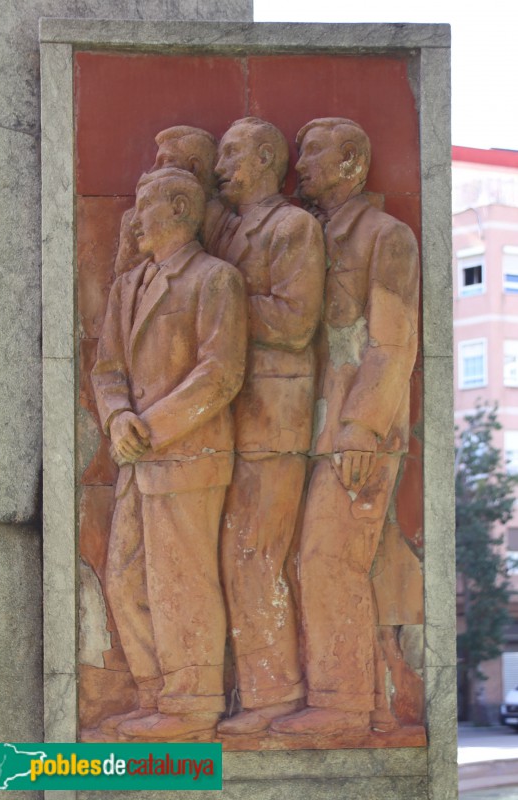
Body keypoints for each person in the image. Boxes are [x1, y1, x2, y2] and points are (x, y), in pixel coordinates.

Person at [271, 117, 419, 736]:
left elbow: (391, 342)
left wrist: (359, 428)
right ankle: (365, 701)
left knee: (327, 559)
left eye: (312, 154)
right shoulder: (308, 237)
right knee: (311, 562)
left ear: (353, 160)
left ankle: (343, 705)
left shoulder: (386, 238)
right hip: (305, 434)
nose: (299, 165)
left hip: (358, 436)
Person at [91, 167, 247, 740]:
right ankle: (157, 695)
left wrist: (149, 425)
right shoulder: (128, 286)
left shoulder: (214, 280)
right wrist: (116, 416)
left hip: (188, 456)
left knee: (183, 581)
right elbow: (106, 369)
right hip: (138, 457)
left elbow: (221, 372)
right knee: (127, 581)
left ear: (180, 209)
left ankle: (194, 702)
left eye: (145, 207)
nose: (135, 221)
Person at [206, 117, 325, 735]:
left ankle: (275, 697)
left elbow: (297, 321)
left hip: (275, 419)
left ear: (265, 159)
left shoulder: (292, 227)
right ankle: (257, 690)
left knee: (256, 556)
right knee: (236, 557)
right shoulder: (226, 227)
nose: (221, 164)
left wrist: (216, 298)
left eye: (231, 153)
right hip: (231, 419)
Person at [114, 125, 227, 276]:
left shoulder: (225, 218)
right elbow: (125, 280)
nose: (154, 169)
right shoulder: (133, 220)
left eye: (165, 161)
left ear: (194, 167)